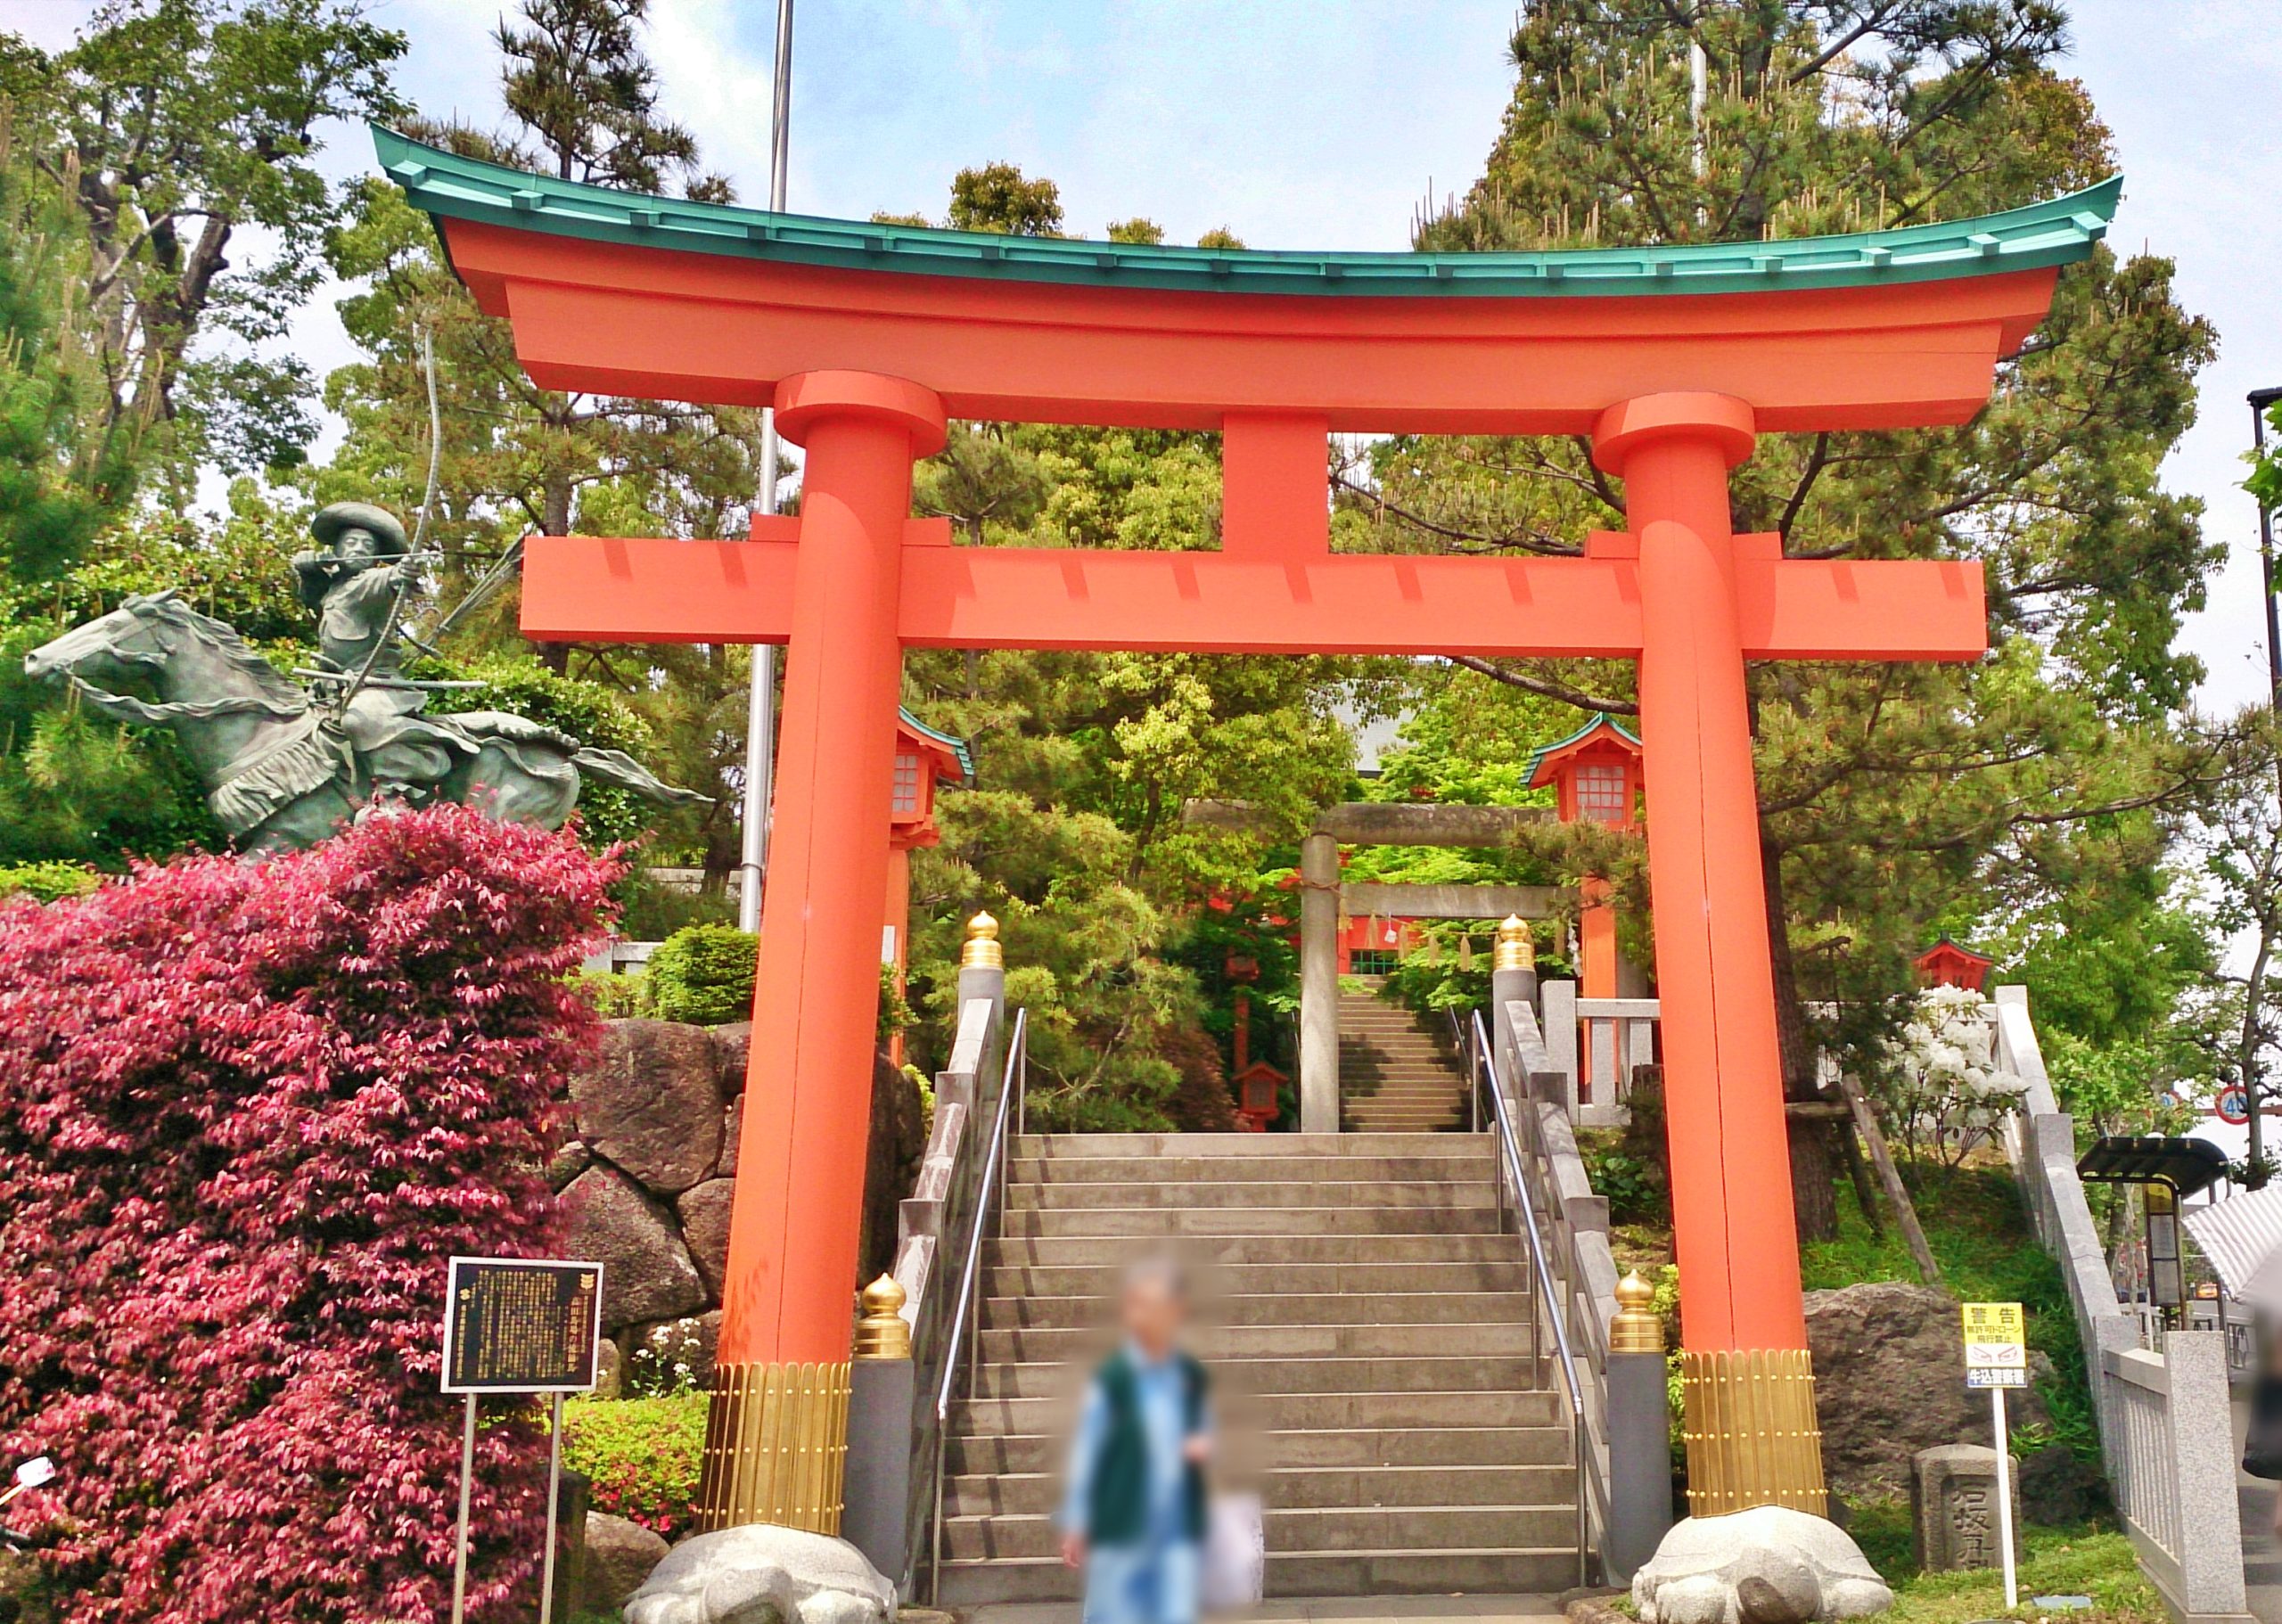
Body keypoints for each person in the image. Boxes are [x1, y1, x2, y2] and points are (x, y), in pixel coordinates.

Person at [1059, 1259, 1212, 1624]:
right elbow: (1088, 1450)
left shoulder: (1189, 1376)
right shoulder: (1114, 1377)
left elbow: (1202, 1438)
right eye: (1139, 1305)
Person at [290, 501, 462, 798]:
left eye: (367, 545)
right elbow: (311, 595)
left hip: (375, 684)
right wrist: (308, 569)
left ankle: (393, 791)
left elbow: (390, 579)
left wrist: (404, 571)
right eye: (350, 543)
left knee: (359, 721)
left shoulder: (369, 584)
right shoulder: (336, 587)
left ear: (376, 556)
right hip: (333, 685)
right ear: (337, 549)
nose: (357, 549)